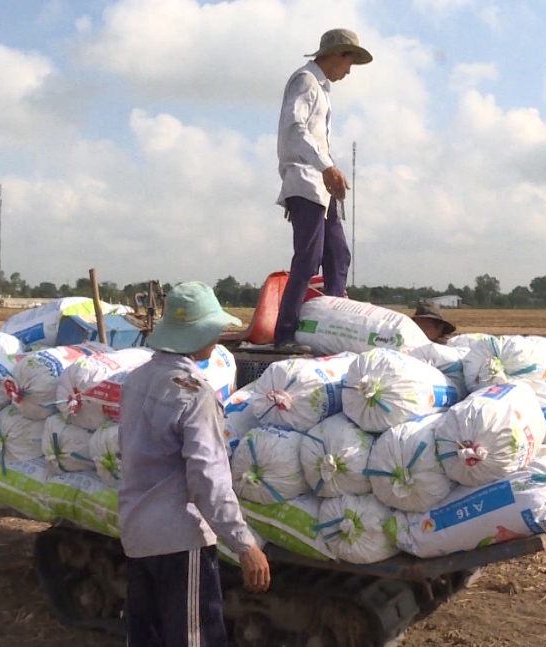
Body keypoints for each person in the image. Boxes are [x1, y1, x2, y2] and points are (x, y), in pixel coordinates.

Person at [118, 281, 270, 647]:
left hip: (136, 533)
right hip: (179, 540)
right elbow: (208, 478)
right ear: (198, 333)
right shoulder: (194, 392)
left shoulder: (136, 380)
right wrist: (244, 544)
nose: (218, 337)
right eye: (214, 329)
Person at [273, 28, 373, 351]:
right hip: (305, 182)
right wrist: (325, 166)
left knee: (338, 254)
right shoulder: (305, 81)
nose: (348, 71)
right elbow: (294, 127)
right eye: (348, 63)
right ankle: (285, 335)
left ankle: (333, 325)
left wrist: (330, 170)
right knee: (309, 257)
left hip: (321, 186)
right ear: (336, 55)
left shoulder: (322, 89)